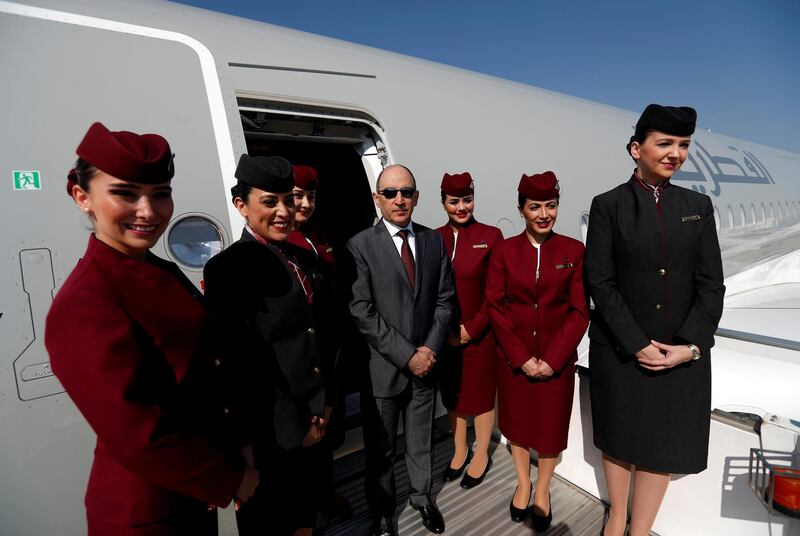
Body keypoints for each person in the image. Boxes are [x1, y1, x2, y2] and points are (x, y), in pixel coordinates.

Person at [44, 122, 258, 536]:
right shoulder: (86, 300)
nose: (148, 211)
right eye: (125, 193)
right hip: (147, 514)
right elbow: (137, 434)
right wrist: (230, 479)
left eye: (161, 194)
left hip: (188, 495)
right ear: (82, 197)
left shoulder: (158, 269)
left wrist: (238, 441)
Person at [584, 104, 725, 536]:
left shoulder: (698, 206)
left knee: (659, 445)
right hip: (623, 350)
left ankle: (640, 529)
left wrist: (690, 346)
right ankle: (616, 517)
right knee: (620, 438)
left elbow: (711, 286)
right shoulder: (608, 206)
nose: (675, 154)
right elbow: (601, 282)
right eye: (664, 144)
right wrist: (636, 342)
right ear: (636, 149)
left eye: (683, 145)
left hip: (677, 352)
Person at [202, 155, 329, 536]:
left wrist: (326, 402)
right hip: (271, 434)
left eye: (287, 201)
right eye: (269, 202)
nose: (283, 211)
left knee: (306, 518)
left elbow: (316, 334)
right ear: (241, 205)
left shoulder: (303, 257)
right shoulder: (228, 269)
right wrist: (296, 427)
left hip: (313, 419)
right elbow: (243, 366)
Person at [345, 164, 455, 536]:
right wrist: (408, 354)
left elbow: (444, 301)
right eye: (390, 193)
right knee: (381, 451)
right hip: (385, 369)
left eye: (406, 191)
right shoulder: (360, 246)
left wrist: (428, 349)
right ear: (377, 198)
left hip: (426, 365)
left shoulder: (433, 241)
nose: (399, 199)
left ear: (417, 197)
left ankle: (422, 497)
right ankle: (381, 512)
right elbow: (361, 310)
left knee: (421, 441)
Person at [486, 171, 589, 531]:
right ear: (521, 209)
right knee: (516, 426)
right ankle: (523, 481)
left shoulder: (573, 251)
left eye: (551, 205)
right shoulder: (505, 251)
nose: (544, 214)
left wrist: (554, 358)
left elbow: (580, 311)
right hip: (515, 361)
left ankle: (542, 489)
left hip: (556, 364)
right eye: (535, 207)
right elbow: (495, 307)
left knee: (549, 431)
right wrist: (522, 357)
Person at [289, 163, 354, 524]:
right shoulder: (284, 242)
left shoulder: (319, 234)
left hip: (331, 349)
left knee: (329, 431)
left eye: (310, 196)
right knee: (306, 434)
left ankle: (326, 493)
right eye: (298, 196)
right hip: (306, 354)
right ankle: (308, 505)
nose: (304, 203)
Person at [435, 172, 503, 490]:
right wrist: (444, 331)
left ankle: (481, 454)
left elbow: (497, 293)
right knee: (453, 395)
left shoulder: (491, 236)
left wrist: (471, 329)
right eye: (454, 201)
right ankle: (460, 448)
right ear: (443, 202)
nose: (462, 207)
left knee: (481, 398)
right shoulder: (434, 238)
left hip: (480, 334)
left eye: (467, 200)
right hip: (444, 334)